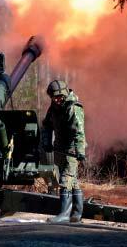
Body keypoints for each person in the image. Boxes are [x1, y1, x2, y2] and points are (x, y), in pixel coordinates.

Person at [41, 80, 86, 223]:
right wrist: (47, 143)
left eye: (58, 97)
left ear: (64, 94)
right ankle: (77, 215)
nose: (56, 100)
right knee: (73, 181)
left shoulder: (73, 107)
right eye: (53, 97)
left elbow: (79, 132)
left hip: (72, 150)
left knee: (65, 179)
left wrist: (80, 151)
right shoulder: (54, 108)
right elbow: (47, 125)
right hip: (60, 150)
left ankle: (64, 215)